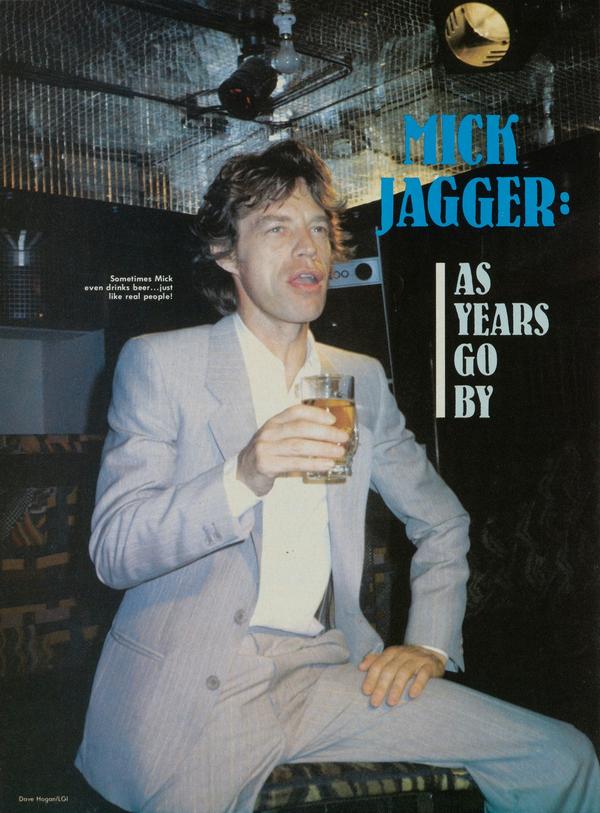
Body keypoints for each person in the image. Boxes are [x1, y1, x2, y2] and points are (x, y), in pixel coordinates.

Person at [76, 140, 600, 813]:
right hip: (204, 683)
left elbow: (442, 519)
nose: (309, 249)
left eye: (319, 229)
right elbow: (114, 550)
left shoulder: (357, 380)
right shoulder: (160, 364)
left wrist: (429, 643)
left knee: (561, 757)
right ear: (227, 253)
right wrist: (243, 473)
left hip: (327, 669)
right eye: (277, 228)